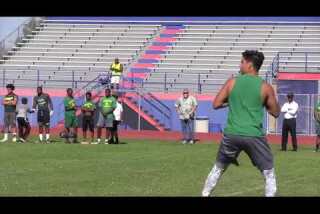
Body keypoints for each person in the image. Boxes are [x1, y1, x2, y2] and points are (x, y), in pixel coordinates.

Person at [201, 50, 280, 197]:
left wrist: (230, 102)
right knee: (268, 173)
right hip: (254, 135)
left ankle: (205, 194)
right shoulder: (265, 87)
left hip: (232, 134)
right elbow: (275, 112)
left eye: (242, 62)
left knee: (218, 168)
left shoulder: (232, 82)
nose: (240, 65)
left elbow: (216, 104)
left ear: (250, 65)